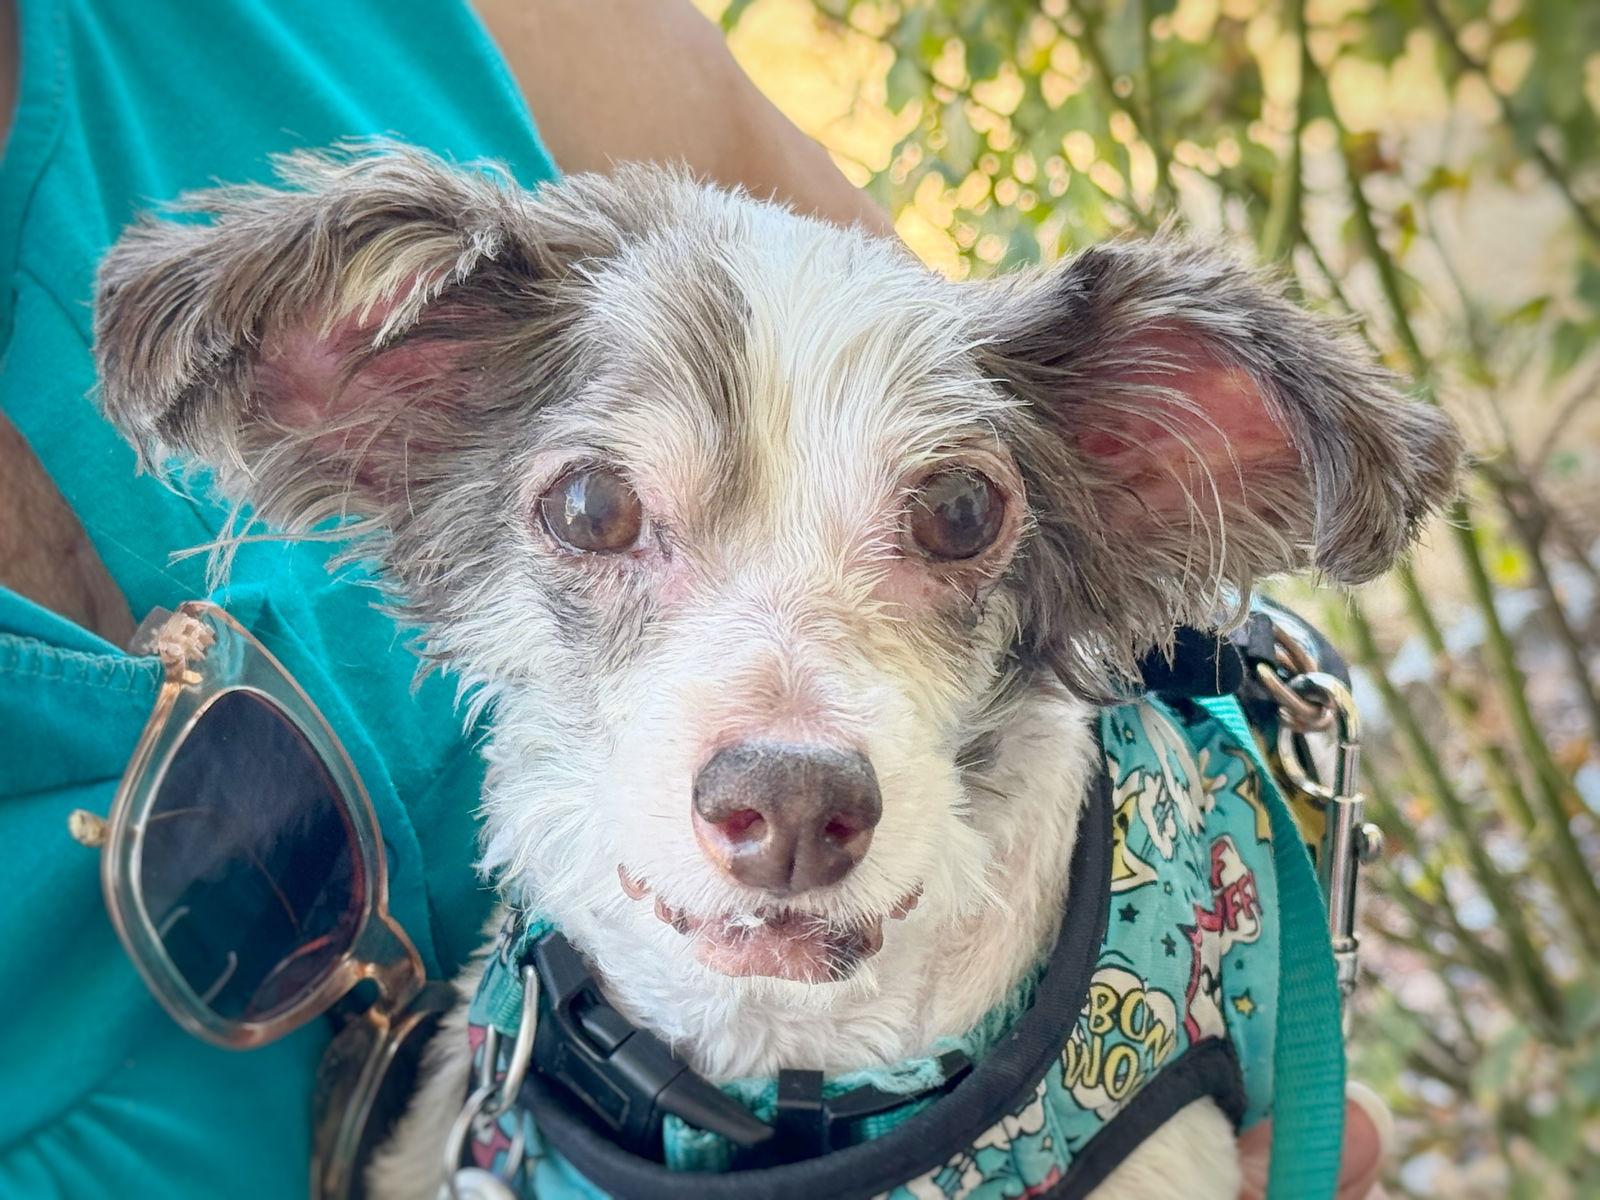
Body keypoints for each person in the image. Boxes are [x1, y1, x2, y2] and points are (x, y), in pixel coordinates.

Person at [0, 2, 1386, 1195]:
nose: (787, 772)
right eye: (600, 514)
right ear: (380, 409)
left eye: (950, 521)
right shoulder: (502, 1096)